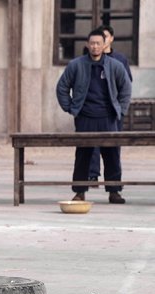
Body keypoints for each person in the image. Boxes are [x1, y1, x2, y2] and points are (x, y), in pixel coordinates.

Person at [56, 29, 131, 204]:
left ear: (105, 44)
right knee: (83, 155)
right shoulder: (76, 64)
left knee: (112, 155)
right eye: (92, 43)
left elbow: (126, 88)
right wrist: (70, 108)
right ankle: (80, 191)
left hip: (108, 117)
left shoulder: (114, 65)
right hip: (85, 116)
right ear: (87, 45)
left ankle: (114, 191)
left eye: (98, 43)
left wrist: (120, 111)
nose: (95, 46)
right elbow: (62, 87)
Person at [88, 24, 133, 184]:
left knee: (113, 148)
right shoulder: (86, 60)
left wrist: (121, 109)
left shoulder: (119, 60)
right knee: (90, 146)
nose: (101, 42)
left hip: (113, 111)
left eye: (105, 38)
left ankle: (113, 186)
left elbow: (126, 85)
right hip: (92, 111)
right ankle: (92, 175)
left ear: (111, 39)